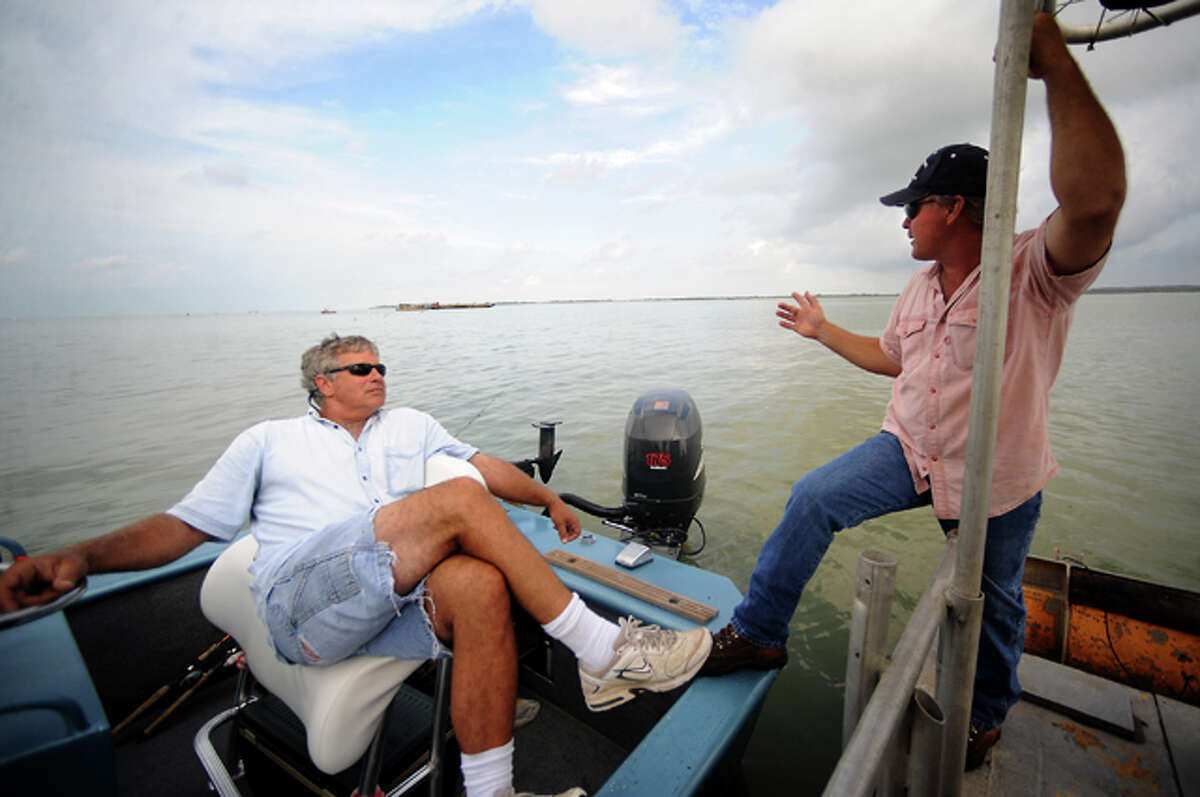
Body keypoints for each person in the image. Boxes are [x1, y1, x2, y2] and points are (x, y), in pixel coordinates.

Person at [0, 332, 712, 797]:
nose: (378, 376)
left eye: (381, 366)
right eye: (360, 368)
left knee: (478, 582)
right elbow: (185, 525)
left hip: (384, 598)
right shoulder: (269, 441)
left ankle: (493, 794)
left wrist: (547, 495)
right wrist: (83, 555)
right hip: (302, 598)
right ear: (321, 386)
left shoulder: (410, 425)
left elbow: (484, 465)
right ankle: (600, 649)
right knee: (457, 504)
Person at [699, 12, 1125, 772]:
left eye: (913, 204)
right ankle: (761, 629)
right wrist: (824, 331)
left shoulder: (1031, 273)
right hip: (909, 449)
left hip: (998, 474)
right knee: (811, 497)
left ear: (955, 206)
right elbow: (895, 358)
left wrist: (1054, 61)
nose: (903, 219)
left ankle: (986, 716)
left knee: (991, 608)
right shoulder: (918, 287)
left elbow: (1094, 205)